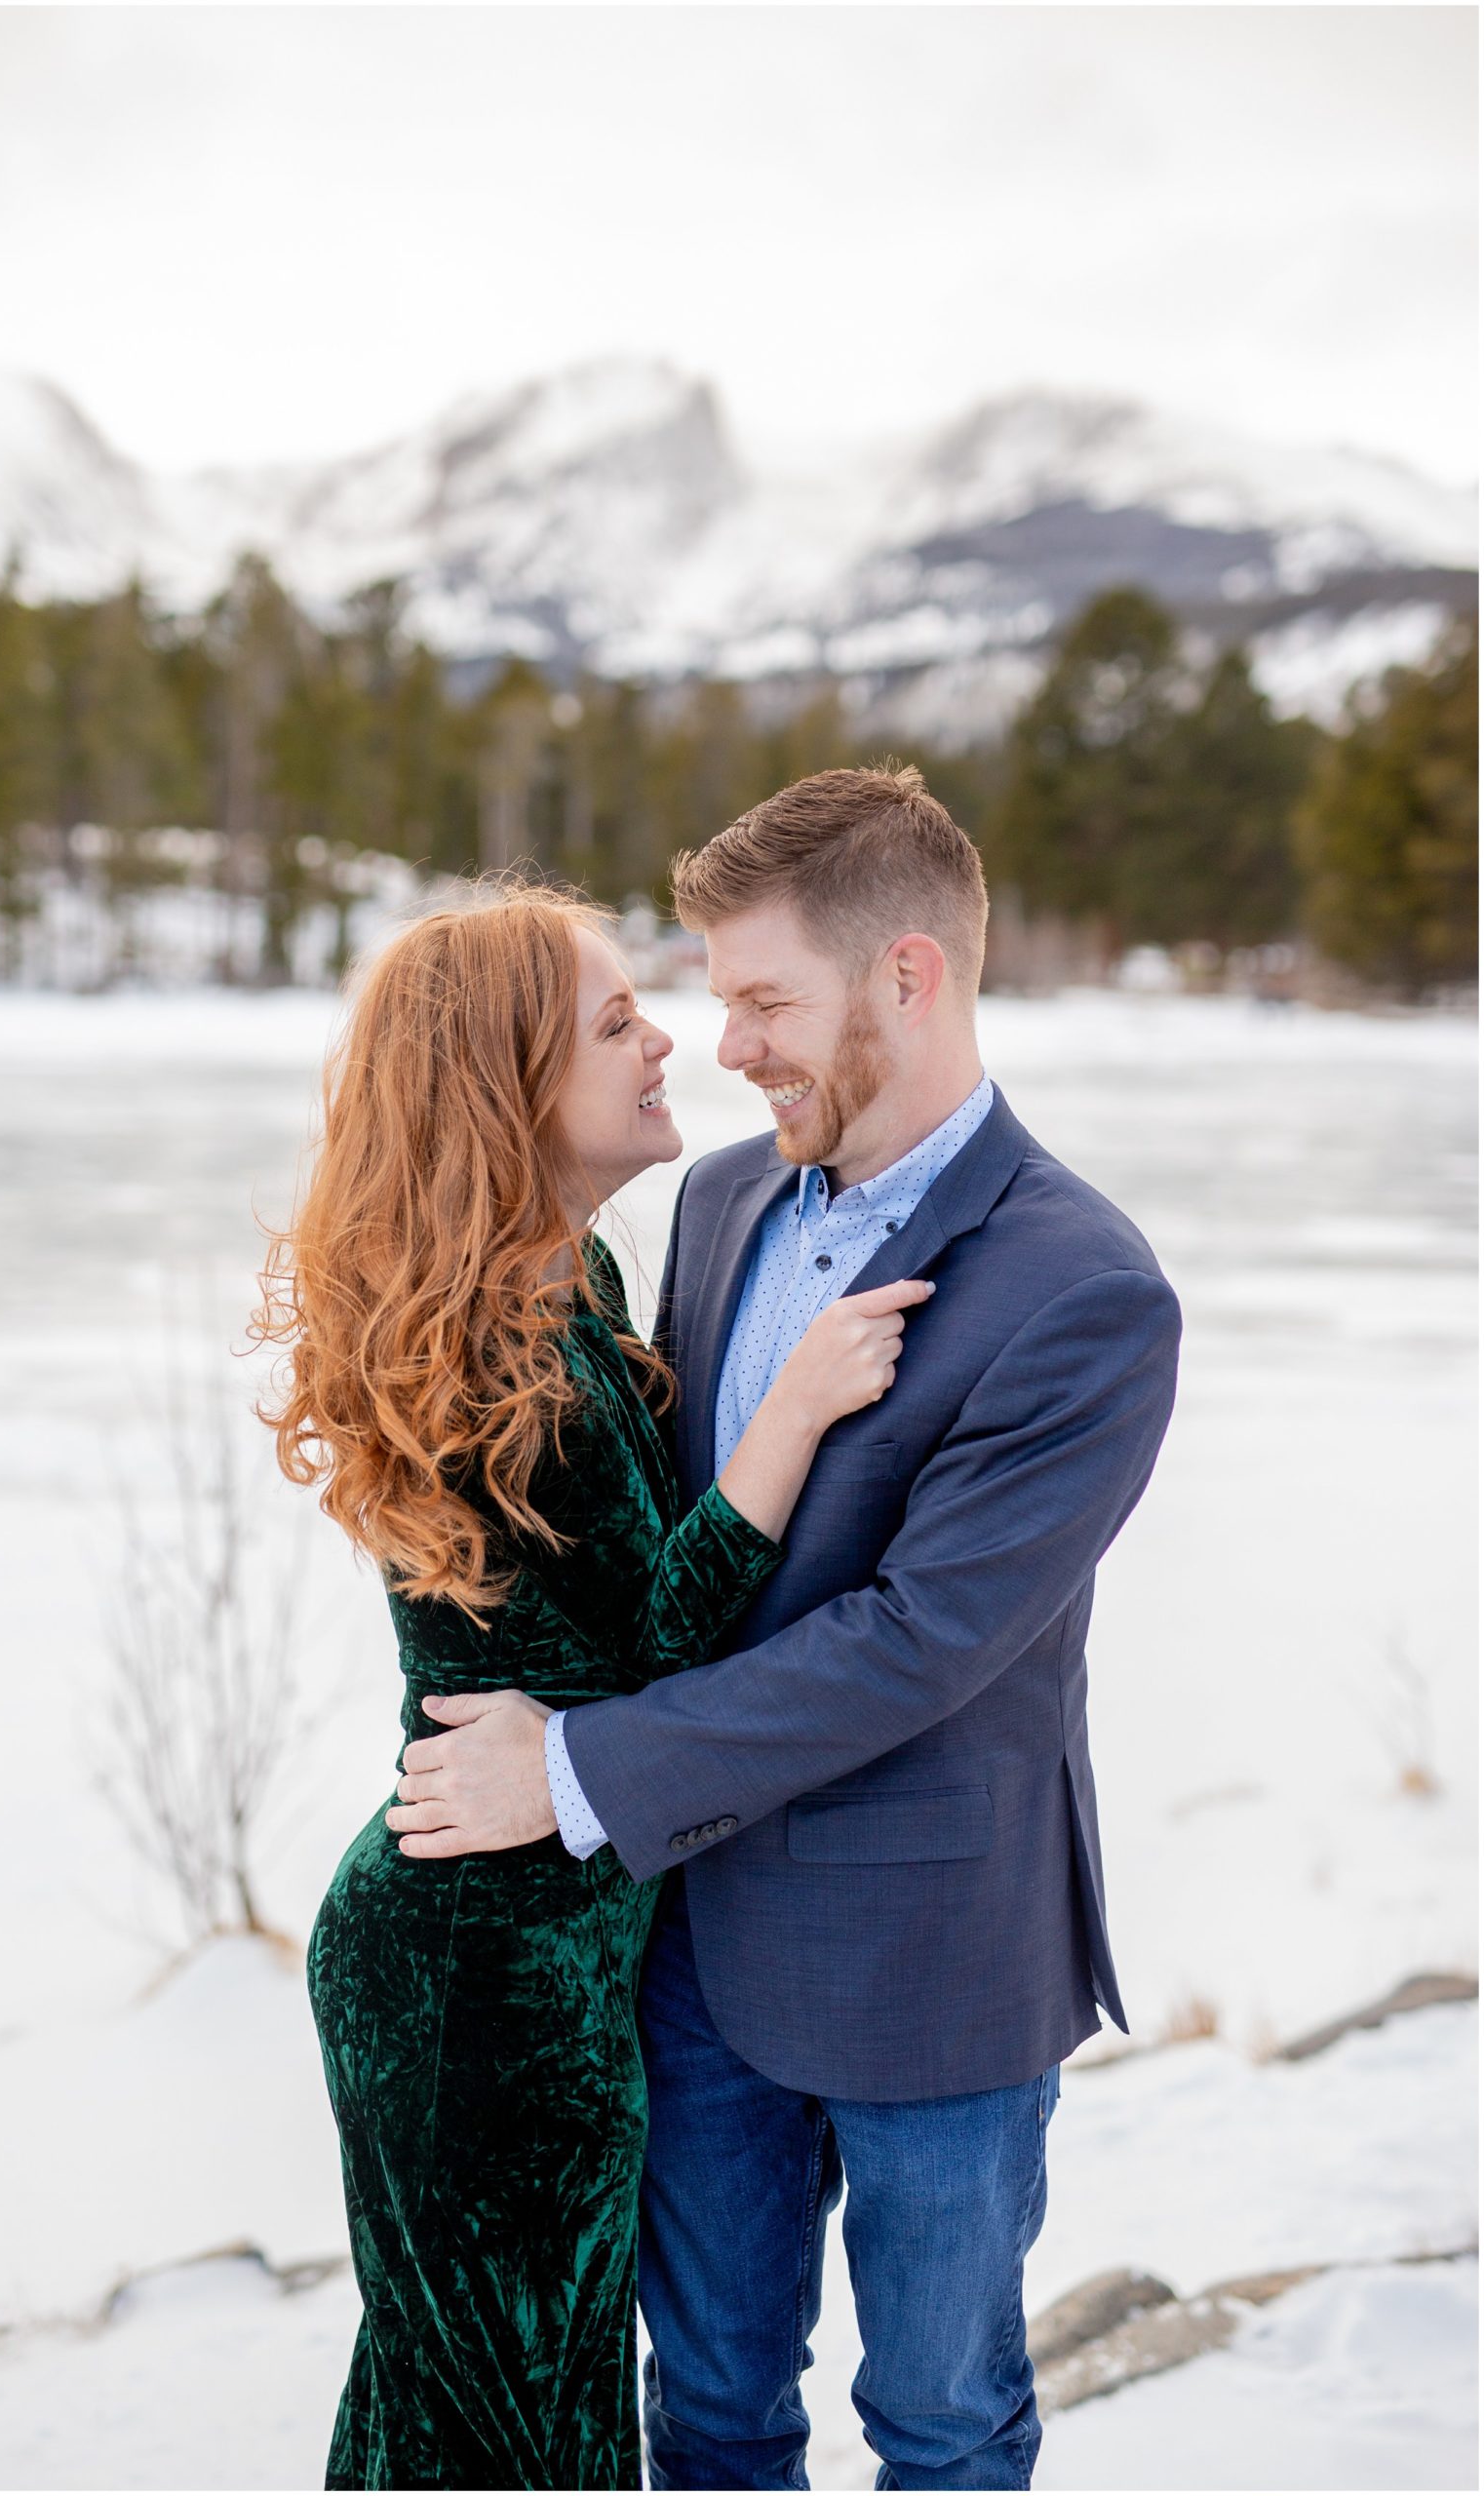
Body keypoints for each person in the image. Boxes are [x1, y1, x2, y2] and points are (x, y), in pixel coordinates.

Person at [391, 765, 1184, 2491]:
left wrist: (582, 1767)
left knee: (943, 2424)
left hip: (930, 1975)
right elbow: (667, 1552)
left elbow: (917, 1640)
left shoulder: (1084, 1290)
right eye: (710, 1000)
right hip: (684, 1947)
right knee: (713, 2415)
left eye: (766, 1003)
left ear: (910, 977)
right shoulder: (724, 1201)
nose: (727, 1048)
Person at [253, 882, 927, 2492]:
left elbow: (599, 1697)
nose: (666, 1041)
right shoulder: (505, 1355)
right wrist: (796, 1416)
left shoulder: (570, 1293)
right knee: (510, 2427)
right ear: (508, 1082)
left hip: (521, 1937)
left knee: (473, 2407)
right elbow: (647, 1667)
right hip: (487, 1982)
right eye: (616, 1020)